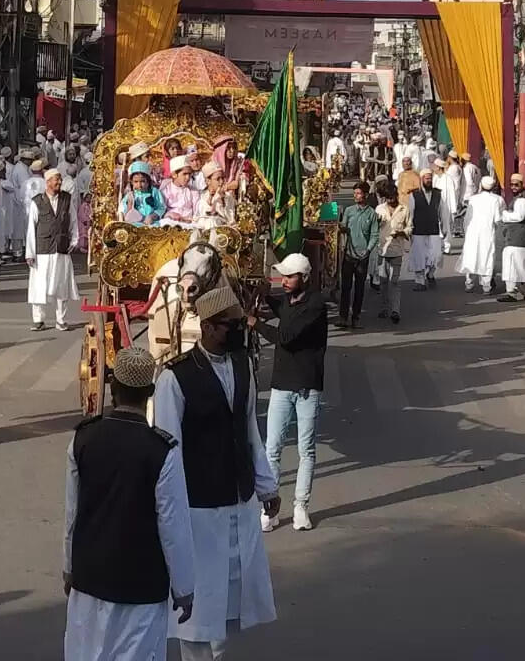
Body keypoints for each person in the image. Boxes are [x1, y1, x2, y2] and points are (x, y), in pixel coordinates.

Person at [152, 285, 279, 659]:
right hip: (198, 508)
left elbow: (250, 430)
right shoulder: (174, 378)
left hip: (238, 500)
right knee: (200, 599)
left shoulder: (243, 366)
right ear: (207, 326)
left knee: (231, 597)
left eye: (240, 325)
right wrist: (168, 510)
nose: (238, 332)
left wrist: (266, 487)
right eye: (230, 326)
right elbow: (167, 451)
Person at [63, 345, 196, 661]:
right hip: (140, 586)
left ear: (112, 387)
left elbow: (72, 512)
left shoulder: (83, 438)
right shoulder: (162, 450)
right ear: (150, 392)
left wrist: (69, 567)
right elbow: (173, 526)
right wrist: (184, 587)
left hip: (89, 578)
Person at [254, 253, 327, 533]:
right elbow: (280, 307)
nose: (283, 281)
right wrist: (262, 295)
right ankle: (270, 507)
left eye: (289, 276)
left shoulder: (316, 306)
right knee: (272, 448)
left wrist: (255, 323)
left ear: (304, 278)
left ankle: (300, 506)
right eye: (282, 276)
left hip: (307, 386)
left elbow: (285, 336)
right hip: (281, 385)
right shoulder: (288, 300)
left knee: (305, 450)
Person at [26, 169, 80, 332]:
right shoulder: (37, 201)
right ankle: (38, 320)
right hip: (42, 250)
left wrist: (74, 240)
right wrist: (30, 253)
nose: (59, 183)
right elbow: (31, 228)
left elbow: (73, 221)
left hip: (61, 248)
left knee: (61, 286)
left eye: (60, 180)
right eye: (56, 180)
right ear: (48, 182)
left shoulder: (66, 199)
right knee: (39, 285)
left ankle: (61, 320)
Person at [338, 181, 379, 329]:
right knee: (346, 287)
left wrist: (367, 250)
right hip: (349, 254)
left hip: (362, 256)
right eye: (354, 193)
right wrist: (339, 227)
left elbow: (374, 235)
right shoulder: (349, 211)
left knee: (360, 288)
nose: (356, 196)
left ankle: (356, 317)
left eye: (359, 193)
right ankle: (343, 317)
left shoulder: (372, 214)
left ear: (366, 195)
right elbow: (343, 226)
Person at [374, 180, 412, 325]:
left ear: (396, 195)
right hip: (382, 249)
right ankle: (384, 308)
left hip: (397, 250)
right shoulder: (379, 209)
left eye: (393, 197)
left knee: (394, 281)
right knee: (383, 281)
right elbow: (373, 228)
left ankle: (395, 310)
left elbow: (410, 228)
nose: (391, 200)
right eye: (388, 197)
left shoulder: (404, 209)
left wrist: (402, 233)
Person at [460, 175, 504, 295]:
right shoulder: (497, 199)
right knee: (487, 257)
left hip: (472, 232)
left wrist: (466, 231)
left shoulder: (473, 199)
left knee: (472, 256)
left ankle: (469, 283)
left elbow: (467, 218)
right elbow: (498, 219)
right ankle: (486, 286)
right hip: (488, 233)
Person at [498, 174, 525, 301]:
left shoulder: (522, 199)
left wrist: (504, 215)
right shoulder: (523, 197)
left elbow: (519, 217)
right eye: (512, 184)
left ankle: (512, 293)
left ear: (522, 184)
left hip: (517, 237)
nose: (513, 187)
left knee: (512, 265)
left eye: (516, 184)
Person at [408, 169, 444, 291]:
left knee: (436, 255)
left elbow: (443, 212)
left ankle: (430, 274)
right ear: (421, 179)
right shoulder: (414, 195)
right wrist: (409, 228)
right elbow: (410, 214)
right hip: (418, 230)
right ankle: (420, 281)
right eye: (426, 178)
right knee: (419, 256)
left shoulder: (438, 194)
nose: (428, 180)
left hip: (434, 229)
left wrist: (445, 229)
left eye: (430, 178)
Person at [120, 161, 166, 226]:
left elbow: (161, 207)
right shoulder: (130, 195)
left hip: (152, 223)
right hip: (135, 223)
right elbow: (123, 210)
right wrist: (129, 206)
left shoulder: (154, 192)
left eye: (142, 181)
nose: (139, 185)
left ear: (148, 181)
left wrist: (153, 216)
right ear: (131, 182)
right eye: (136, 181)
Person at [160, 155, 201, 227]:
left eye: (189, 174)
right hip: (171, 222)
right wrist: (169, 215)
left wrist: (190, 220)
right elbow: (161, 210)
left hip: (189, 223)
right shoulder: (165, 190)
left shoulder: (193, 191)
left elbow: (197, 212)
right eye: (184, 174)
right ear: (174, 175)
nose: (188, 177)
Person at [439, 155, 464, 253]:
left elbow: (451, 191)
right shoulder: (456, 168)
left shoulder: (451, 171)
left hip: (448, 202)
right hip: (442, 203)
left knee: (446, 225)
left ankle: (446, 246)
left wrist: (453, 207)